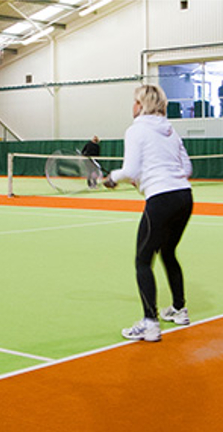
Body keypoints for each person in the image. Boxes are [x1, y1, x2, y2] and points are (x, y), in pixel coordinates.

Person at [104, 85, 193, 342]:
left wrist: (112, 178)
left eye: (134, 101)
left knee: (143, 260)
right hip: (184, 198)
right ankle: (179, 309)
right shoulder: (171, 131)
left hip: (162, 199)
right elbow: (186, 167)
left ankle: (150, 323)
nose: (132, 106)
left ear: (141, 105)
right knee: (167, 251)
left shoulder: (136, 130)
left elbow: (129, 170)